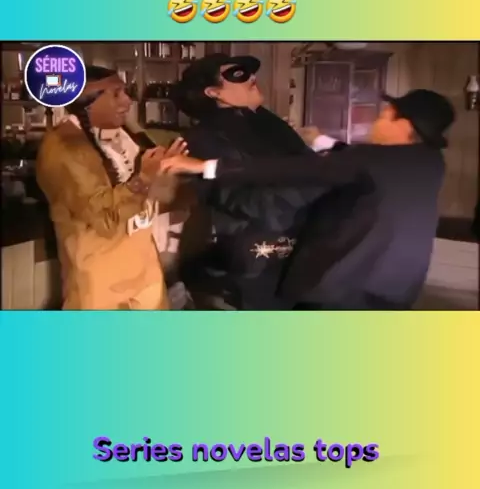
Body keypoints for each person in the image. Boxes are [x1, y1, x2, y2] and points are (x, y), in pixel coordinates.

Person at [163, 89, 456, 311]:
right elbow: (360, 161)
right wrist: (320, 141)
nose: (375, 123)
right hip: (399, 285)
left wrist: (205, 167)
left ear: (403, 125)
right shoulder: (432, 161)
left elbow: (291, 169)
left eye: (383, 116)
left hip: (346, 286)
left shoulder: (368, 160)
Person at [173, 53, 328, 310]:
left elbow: (311, 167)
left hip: (299, 254)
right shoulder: (204, 138)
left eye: (249, 71)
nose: (251, 77)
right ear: (213, 92)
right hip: (251, 265)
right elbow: (245, 198)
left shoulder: (269, 124)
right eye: (237, 75)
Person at [36, 65, 185, 310]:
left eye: (125, 92)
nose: (127, 101)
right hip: (100, 279)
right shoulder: (65, 148)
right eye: (116, 94)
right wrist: (143, 179)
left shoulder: (124, 134)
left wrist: (166, 170)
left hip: (144, 269)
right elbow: (103, 221)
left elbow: (161, 197)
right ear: (87, 102)